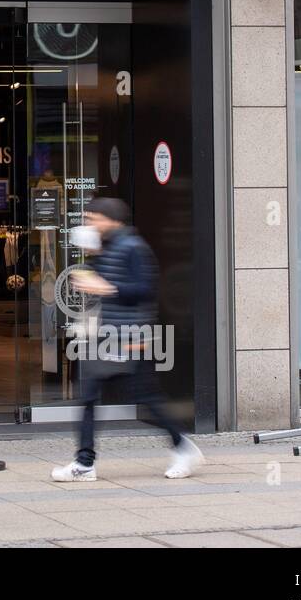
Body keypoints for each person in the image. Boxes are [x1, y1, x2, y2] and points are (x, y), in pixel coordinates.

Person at [51, 196, 203, 482]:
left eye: (93, 219)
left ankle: (184, 447)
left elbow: (144, 290)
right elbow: (102, 286)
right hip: (107, 336)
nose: (88, 224)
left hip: (131, 337)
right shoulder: (105, 247)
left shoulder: (134, 247)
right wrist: (90, 264)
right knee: (88, 397)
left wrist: (107, 288)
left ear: (111, 220)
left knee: (146, 398)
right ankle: (84, 464)